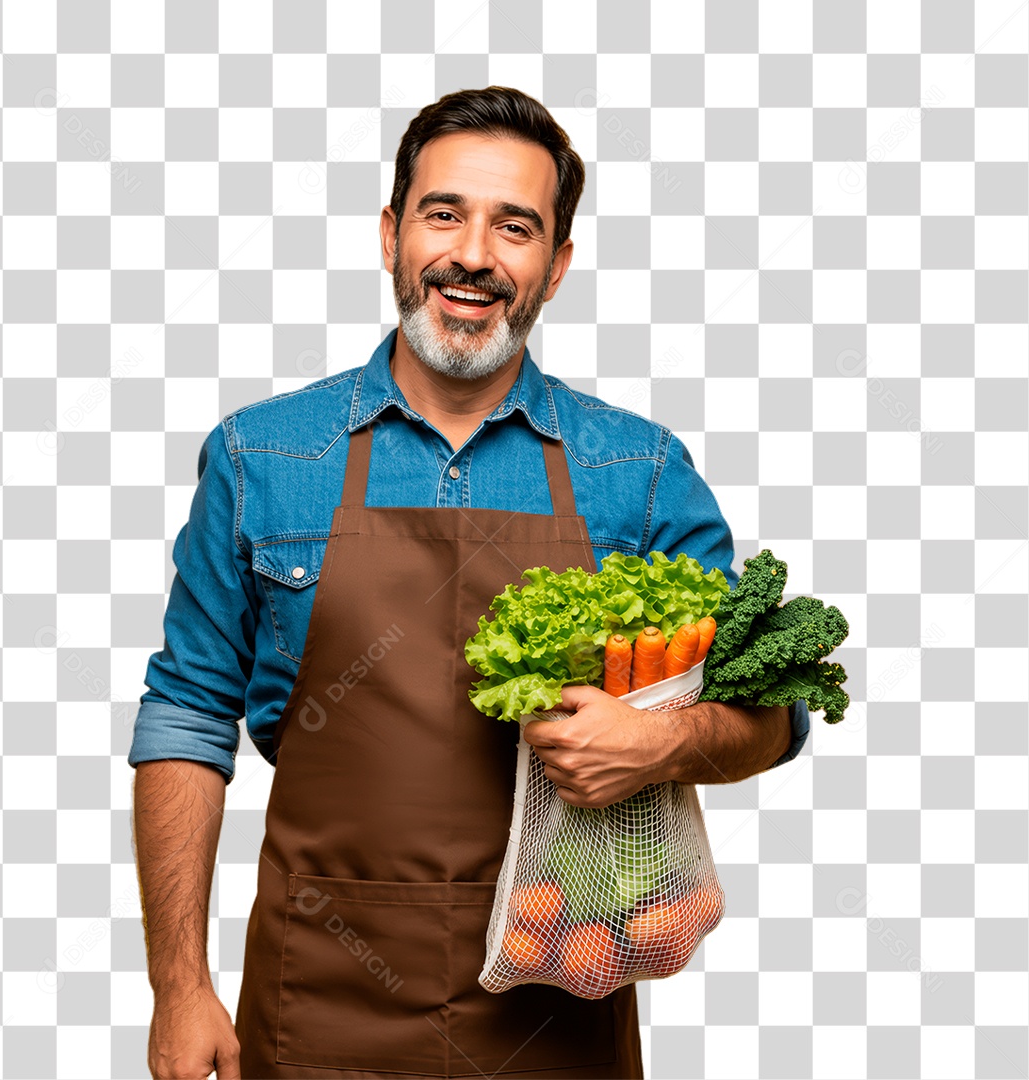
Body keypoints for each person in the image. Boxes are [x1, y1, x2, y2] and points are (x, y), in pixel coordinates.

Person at [129, 86, 810, 1080]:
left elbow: (774, 711)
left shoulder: (640, 471)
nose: (474, 256)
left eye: (517, 226)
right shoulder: (263, 456)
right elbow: (187, 719)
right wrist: (179, 987)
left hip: (555, 1002)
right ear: (392, 232)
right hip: (316, 1008)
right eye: (444, 213)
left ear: (558, 264)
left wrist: (661, 739)